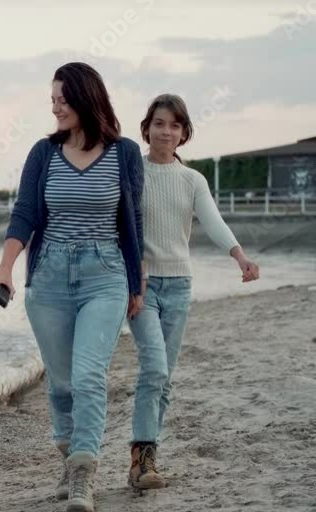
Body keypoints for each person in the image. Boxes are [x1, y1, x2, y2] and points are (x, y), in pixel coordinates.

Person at [0, 62, 145, 512]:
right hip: (50, 276)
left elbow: (134, 221)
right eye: (52, 100)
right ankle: (69, 454)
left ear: (86, 98)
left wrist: (137, 281)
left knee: (89, 376)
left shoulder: (124, 153)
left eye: (62, 99)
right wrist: (5, 267)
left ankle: (83, 473)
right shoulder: (44, 153)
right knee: (60, 383)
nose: (55, 107)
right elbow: (25, 214)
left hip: (105, 274)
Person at [128, 94, 260, 489]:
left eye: (175, 125)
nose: (166, 132)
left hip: (179, 286)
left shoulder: (192, 180)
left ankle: (144, 461)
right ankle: (142, 460)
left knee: (164, 378)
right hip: (142, 286)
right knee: (154, 368)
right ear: (146, 128)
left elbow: (213, 221)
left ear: (184, 133)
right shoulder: (133, 172)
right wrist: (132, 270)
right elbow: (121, 223)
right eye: (159, 123)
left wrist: (240, 257)